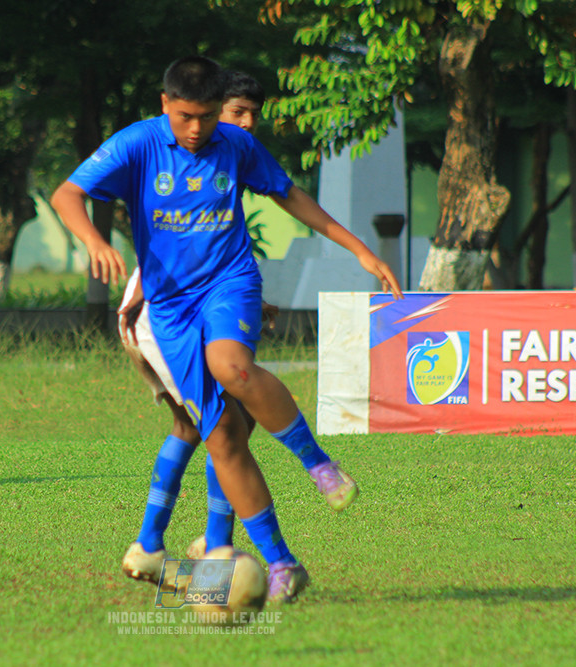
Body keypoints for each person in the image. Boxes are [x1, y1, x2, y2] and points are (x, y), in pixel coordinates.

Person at [52, 56, 401, 602]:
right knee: (221, 436)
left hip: (229, 282)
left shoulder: (236, 145)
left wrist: (358, 249)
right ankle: (281, 563)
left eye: (208, 116)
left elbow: (288, 194)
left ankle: (319, 466)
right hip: (169, 308)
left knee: (231, 368)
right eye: (186, 116)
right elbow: (66, 194)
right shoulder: (136, 144)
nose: (197, 129)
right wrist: (94, 242)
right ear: (165, 104)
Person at [117, 70, 368, 589]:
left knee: (215, 425)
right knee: (218, 427)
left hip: (186, 306)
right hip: (154, 316)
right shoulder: (174, 149)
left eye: (253, 113)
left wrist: (245, 300)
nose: (246, 123)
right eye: (236, 112)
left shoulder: (229, 156)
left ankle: (167, 546)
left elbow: (210, 248)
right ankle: (205, 547)